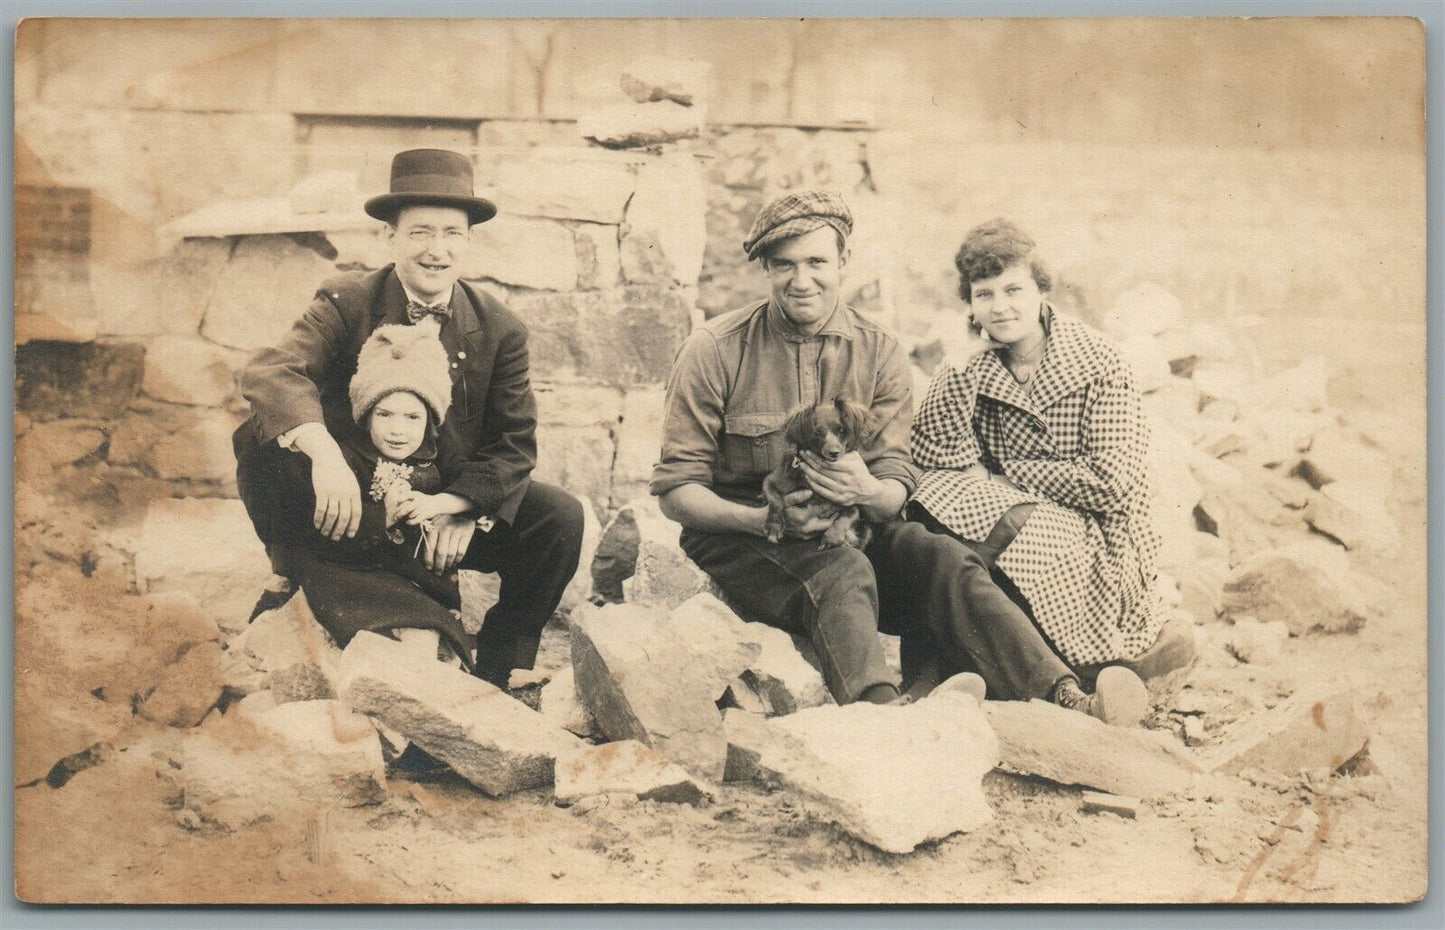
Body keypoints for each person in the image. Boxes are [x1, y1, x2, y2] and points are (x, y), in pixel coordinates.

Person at [652, 191, 1145, 722]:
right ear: (765, 270)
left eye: (817, 262)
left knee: (943, 556)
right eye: (784, 265)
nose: (802, 281)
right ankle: (886, 720)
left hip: (852, 521)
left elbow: (894, 477)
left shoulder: (879, 347)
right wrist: (764, 518)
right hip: (744, 535)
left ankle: (1065, 699)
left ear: (843, 262)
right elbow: (677, 493)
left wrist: (869, 493)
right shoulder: (714, 349)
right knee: (841, 569)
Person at [234, 148, 584, 690]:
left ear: (469, 241)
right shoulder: (346, 300)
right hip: (352, 504)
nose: (437, 252)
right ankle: (293, 574)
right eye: (420, 232)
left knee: (558, 517)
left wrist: (458, 506)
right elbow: (273, 372)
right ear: (388, 237)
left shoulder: (499, 328)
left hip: (435, 507)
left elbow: (513, 445)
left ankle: (498, 666)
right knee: (261, 439)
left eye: (453, 234)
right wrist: (325, 456)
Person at [910, 218, 1174, 710]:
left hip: (1101, 535)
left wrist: (1004, 472)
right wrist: (960, 363)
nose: (1001, 306)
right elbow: (934, 458)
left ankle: (935, 678)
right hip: (1000, 518)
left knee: (955, 546)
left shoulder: (1098, 360)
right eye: (984, 294)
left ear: (1040, 289)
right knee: (930, 512)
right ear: (969, 302)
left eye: (1014, 289)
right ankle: (1050, 692)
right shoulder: (979, 361)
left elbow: (1112, 484)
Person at [271, 320, 475, 667]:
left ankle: (414, 688)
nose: (398, 430)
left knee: (425, 635)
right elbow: (327, 531)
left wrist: (453, 508)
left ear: (430, 420)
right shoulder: (348, 460)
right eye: (384, 414)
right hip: (356, 573)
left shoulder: (440, 457)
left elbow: (478, 481)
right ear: (366, 416)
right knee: (379, 629)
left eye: (413, 417)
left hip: (415, 579)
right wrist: (386, 515)